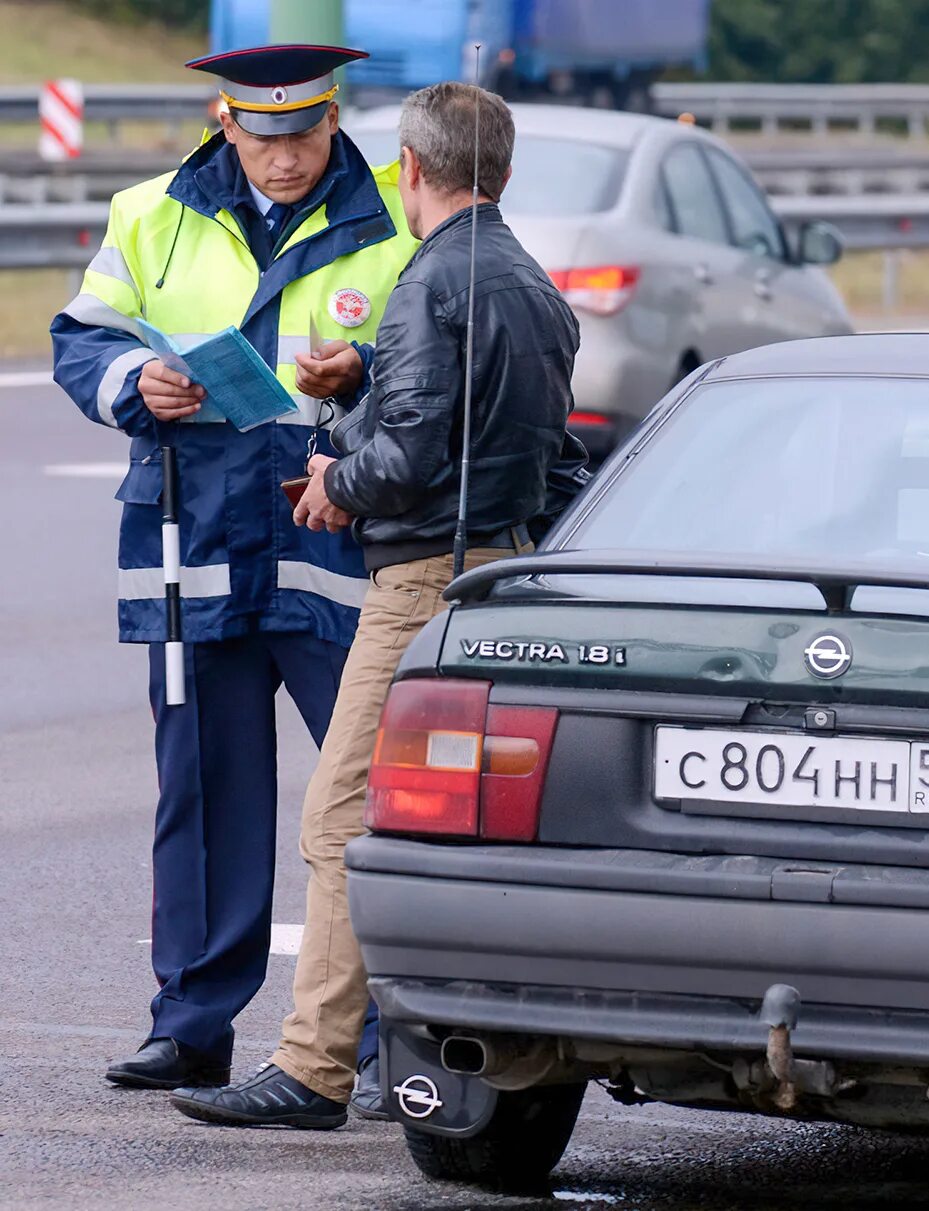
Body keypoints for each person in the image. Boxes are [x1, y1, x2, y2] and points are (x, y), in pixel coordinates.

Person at [171, 81, 584, 1130]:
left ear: (410, 167)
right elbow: (518, 446)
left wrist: (331, 478)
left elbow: (412, 451)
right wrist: (363, 387)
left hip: (416, 584)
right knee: (445, 826)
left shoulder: (430, 279)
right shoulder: (531, 285)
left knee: (341, 817)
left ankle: (313, 1066)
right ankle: (422, 1046)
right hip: (503, 571)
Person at [50, 45, 417, 1100]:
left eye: (304, 135)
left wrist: (366, 371)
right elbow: (82, 337)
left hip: (332, 545)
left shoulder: (392, 216)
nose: (287, 158)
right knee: (203, 794)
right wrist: (135, 380)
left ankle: (386, 1030)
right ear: (225, 124)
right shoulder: (151, 212)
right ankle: (191, 1022)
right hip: (193, 543)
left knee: (371, 801)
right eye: (265, 139)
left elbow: (437, 355)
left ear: (332, 120)